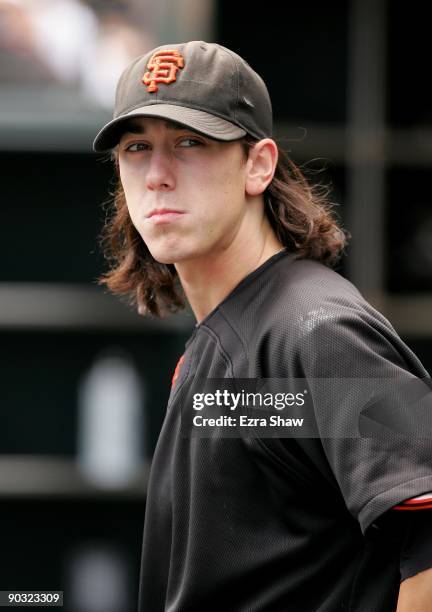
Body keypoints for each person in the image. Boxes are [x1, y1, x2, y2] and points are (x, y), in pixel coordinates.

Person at [93, 41, 432, 611]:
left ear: (259, 164)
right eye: (136, 148)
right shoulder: (239, 337)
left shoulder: (318, 330)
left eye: (190, 143)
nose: (156, 175)